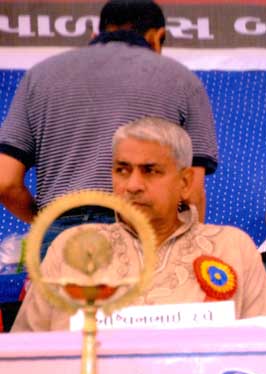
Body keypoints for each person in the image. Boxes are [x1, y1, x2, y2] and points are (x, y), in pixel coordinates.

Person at [12, 118, 266, 332]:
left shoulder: (232, 248)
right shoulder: (69, 248)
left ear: (185, 183)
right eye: (122, 170)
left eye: (150, 170)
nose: (133, 185)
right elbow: (24, 358)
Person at [0, 0, 218, 253]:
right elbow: (192, 192)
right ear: (157, 37)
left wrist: (51, 223)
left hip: (61, 236)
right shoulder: (184, 81)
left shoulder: (39, 76)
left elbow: (5, 181)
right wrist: (189, 254)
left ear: (97, 34)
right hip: (143, 231)